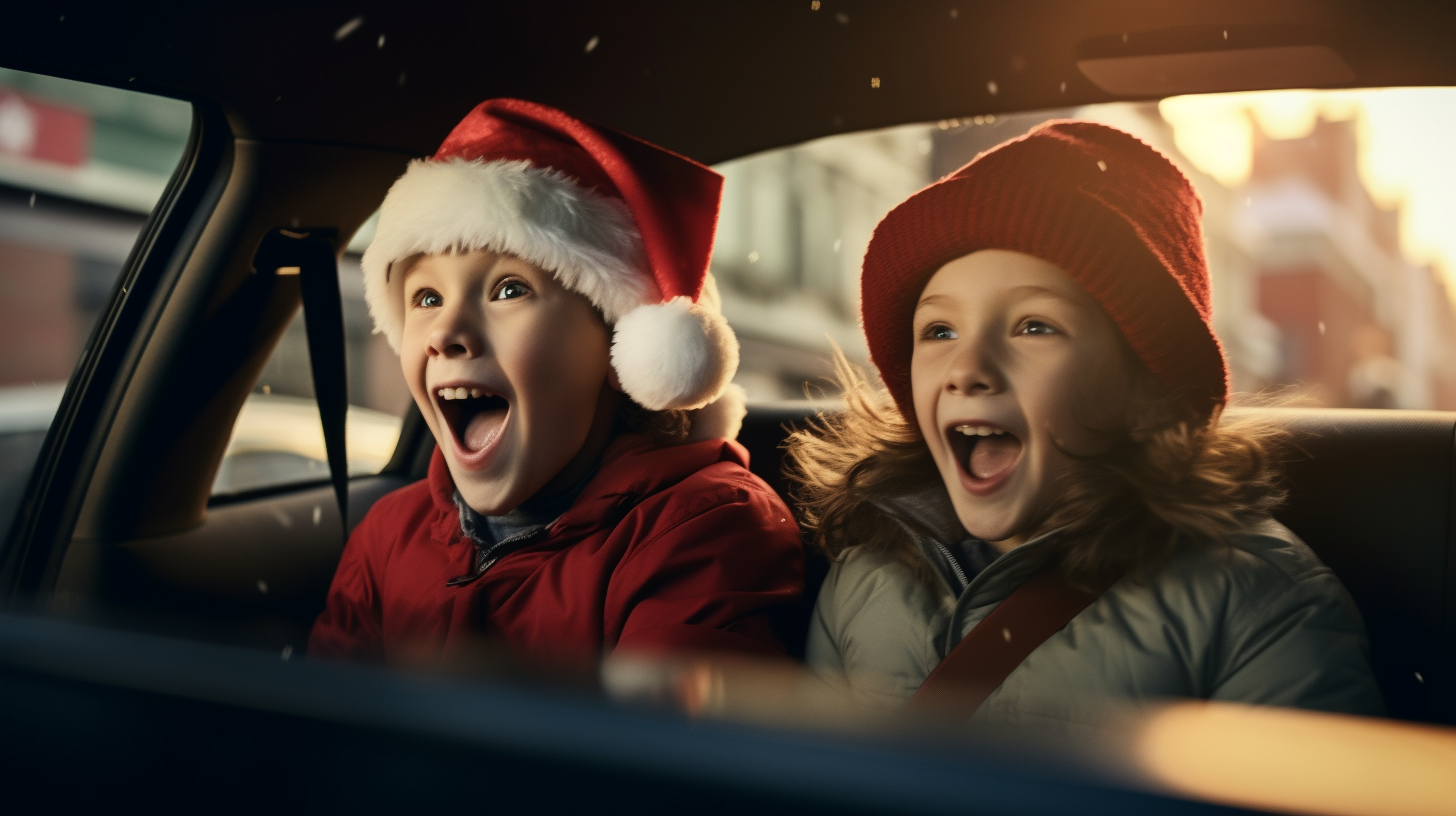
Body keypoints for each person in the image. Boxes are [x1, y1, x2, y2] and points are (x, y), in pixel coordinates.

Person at [786, 121, 1383, 724]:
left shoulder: (1260, 600)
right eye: (939, 331)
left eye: (1033, 327)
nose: (966, 369)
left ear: (1145, 389)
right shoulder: (866, 570)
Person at [309, 99, 803, 667]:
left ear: (621, 352)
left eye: (509, 290)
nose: (444, 332)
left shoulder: (707, 529)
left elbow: (665, 744)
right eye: (426, 297)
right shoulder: (388, 534)